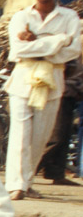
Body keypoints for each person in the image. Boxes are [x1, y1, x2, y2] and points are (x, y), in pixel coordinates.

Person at [5, 0, 82, 200]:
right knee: (20, 134)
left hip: (52, 80)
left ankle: (26, 183)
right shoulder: (21, 17)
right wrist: (57, 41)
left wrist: (38, 45)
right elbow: (18, 50)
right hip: (23, 79)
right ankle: (15, 186)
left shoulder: (69, 18)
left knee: (40, 136)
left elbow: (73, 51)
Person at [40, 57, 83, 185]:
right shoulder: (71, 47)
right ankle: (29, 171)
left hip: (71, 94)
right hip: (61, 92)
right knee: (57, 137)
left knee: (65, 136)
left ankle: (56, 173)